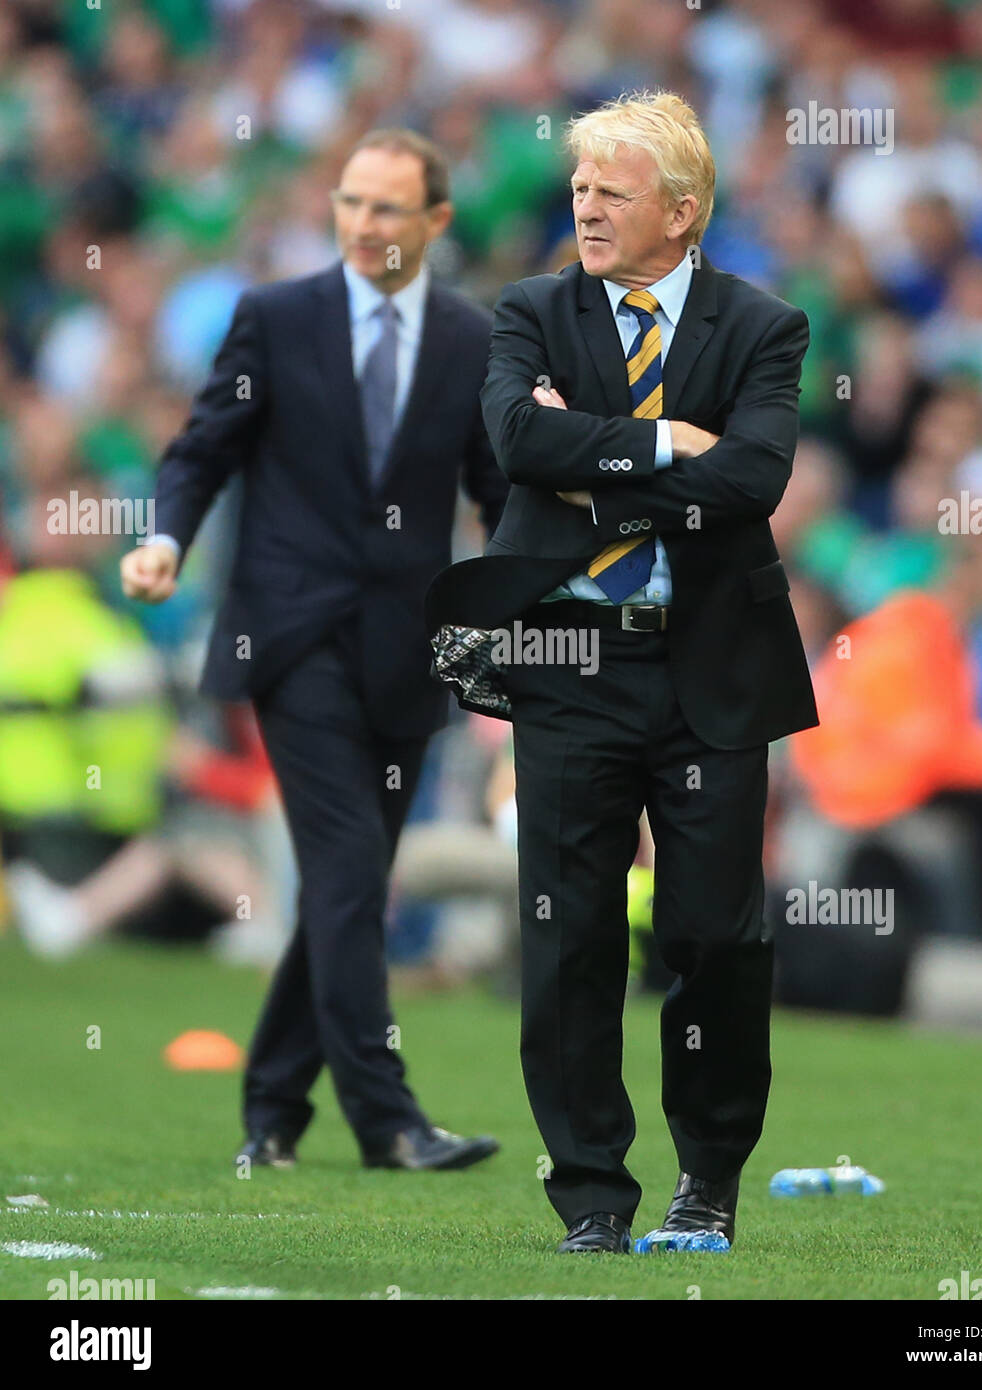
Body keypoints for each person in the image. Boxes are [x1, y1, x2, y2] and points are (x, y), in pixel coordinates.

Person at [426, 91, 817, 1251]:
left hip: (708, 671)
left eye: (612, 191)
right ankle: (591, 1195)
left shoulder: (763, 326)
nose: (584, 207)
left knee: (711, 935)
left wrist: (589, 467)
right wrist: (660, 440)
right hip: (566, 662)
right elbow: (514, 445)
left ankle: (708, 1176)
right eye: (580, 186)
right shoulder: (531, 311)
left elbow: (751, 483)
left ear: (682, 214)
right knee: (568, 934)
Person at [120, 128, 508, 1174]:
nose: (361, 224)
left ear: (435, 221)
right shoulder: (274, 318)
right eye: (348, 202)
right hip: (289, 638)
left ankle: (270, 1109)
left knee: (349, 883)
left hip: (408, 651)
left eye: (386, 208)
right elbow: (203, 447)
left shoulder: (473, 340)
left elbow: (494, 490)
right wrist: (164, 539)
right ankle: (385, 1119)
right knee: (344, 873)